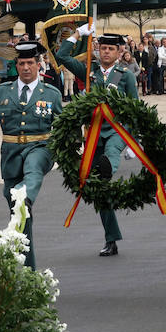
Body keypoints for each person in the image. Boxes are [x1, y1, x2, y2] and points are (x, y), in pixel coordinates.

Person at [0, 43, 62, 269]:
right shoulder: (1, 92)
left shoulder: (51, 94)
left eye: (30, 63)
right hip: (11, 157)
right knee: (21, 216)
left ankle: (26, 194)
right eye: (22, 63)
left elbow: (65, 129)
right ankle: (29, 272)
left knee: (32, 171)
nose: (26, 68)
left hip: (41, 149)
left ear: (38, 64)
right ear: (16, 66)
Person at [56, 27, 138, 257]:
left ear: (120, 52)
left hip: (116, 130)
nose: (106, 53)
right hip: (92, 133)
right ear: (98, 50)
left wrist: (133, 140)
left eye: (111, 49)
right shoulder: (88, 72)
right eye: (103, 48)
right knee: (100, 189)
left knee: (109, 158)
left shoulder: (125, 75)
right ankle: (111, 238)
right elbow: (62, 57)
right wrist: (77, 34)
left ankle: (108, 167)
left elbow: (135, 109)